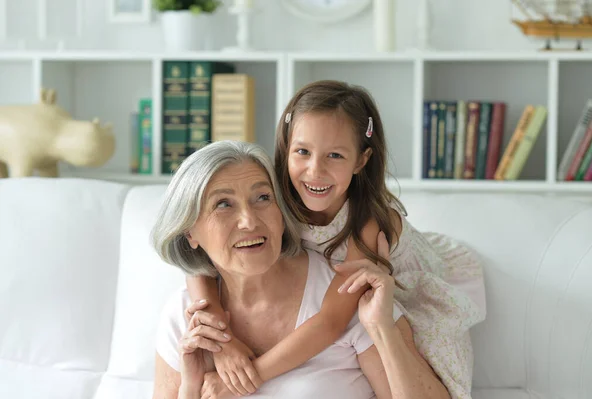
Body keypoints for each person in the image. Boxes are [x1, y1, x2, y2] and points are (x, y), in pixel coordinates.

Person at [185, 81, 486, 399]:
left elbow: (332, 321)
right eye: (302, 152)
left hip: (402, 286)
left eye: (335, 156)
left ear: (361, 160)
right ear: (286, 147)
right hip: (325, 290)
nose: (315, 171)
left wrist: (248, 377)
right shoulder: (270, 197)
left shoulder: (369, 223)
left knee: (414, 360)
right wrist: (224, 338)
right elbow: (201, 263)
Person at [151, 140, 450, 399]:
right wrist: (191, 388)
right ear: (190, 232)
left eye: (263, 198)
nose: (250, 221)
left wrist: (383, 328)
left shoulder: (347, 293)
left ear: (283, 211)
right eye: (223, 204)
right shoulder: (185, 317)